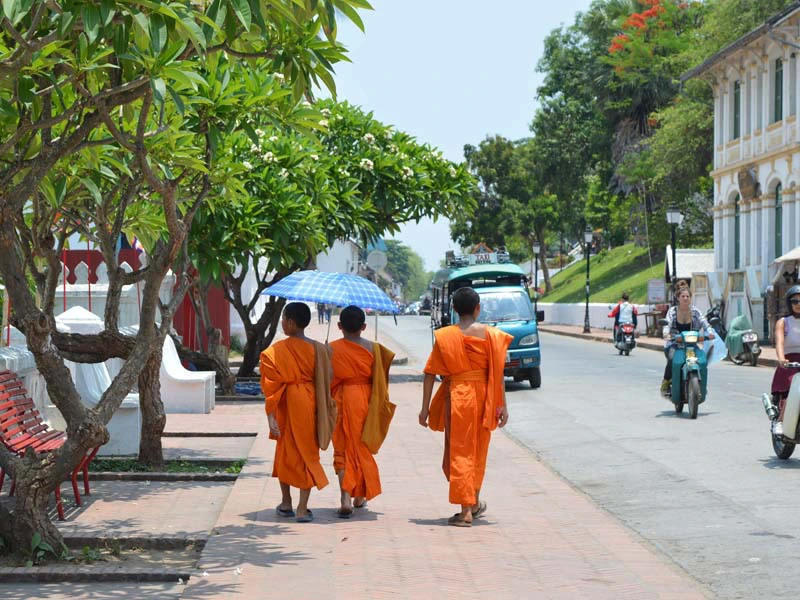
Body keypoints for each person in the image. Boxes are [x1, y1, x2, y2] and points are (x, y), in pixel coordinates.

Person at [419, 287, 512, 527]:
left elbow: (430, 373)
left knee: (460, 450)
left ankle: (466, 510)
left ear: (454, 309)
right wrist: (503, 405)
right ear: (478, 308)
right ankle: (473, 502)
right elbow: (498, 374)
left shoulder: (446, 336)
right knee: (478, 450)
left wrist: (425, 408)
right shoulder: (492, 335)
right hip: (484, 399)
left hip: (458, 397)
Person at [260, 302, 336, 523]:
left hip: (286, 403)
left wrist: (270, 416)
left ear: (291, 323)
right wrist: (326, 355)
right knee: (308, 453)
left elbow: (270, 386)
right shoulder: (318, 349)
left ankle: (287, 503)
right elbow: (329, 378)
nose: (282, 323)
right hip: (311, 403)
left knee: (285, 452)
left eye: (284, 319)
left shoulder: (276, 351)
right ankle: (302, 508)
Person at [330, 306, 395, 518]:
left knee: (342, 448)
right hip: (366, 401)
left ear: (339, 326)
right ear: (364, 326)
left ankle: (346, 497)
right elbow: (381, 379)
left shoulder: (331, 349)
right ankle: (359, 497)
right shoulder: (374, 348)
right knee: (361, 447)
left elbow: (327, 380)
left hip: (340, 399)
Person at [660, 287, 715, 396]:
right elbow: (667, 324)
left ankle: (701, 384)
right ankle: (666, 382)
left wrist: (710, 332)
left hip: (691, 344)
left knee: (702, 360)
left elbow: (704, 322)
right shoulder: (672, 311)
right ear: (678, 298)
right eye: (683, 296)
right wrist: (666, 334)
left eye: (687, 296)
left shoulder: (695, 311)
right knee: (672, 359)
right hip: (675, 344)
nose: (685, 298)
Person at [770, 285, 800, 436]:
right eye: (795, 301)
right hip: (790, 362)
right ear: (789, 303)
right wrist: (782, 359)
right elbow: (780, 342)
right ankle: (781, 421)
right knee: (792, 391)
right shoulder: (783, 322)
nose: (798, 304)